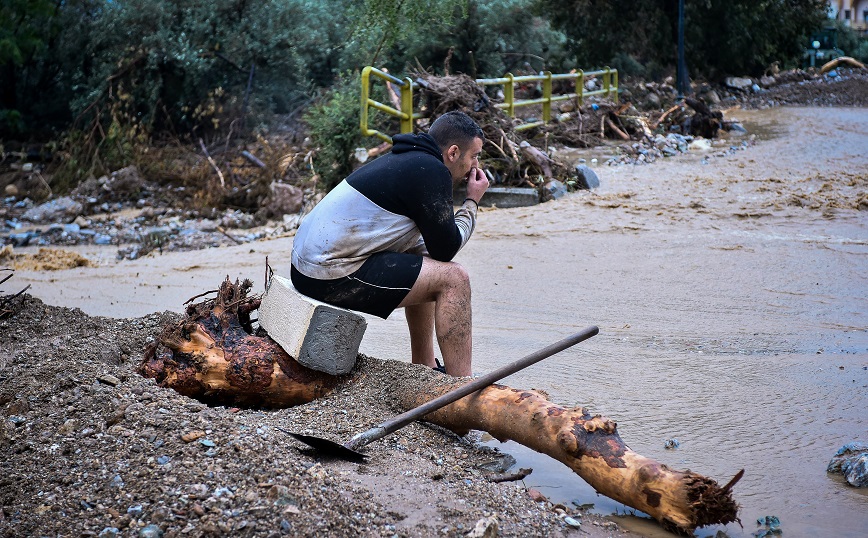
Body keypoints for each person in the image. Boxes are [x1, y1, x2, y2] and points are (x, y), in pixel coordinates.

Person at [290, 111, 489, 377]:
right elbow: (447, 248)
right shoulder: (431, 171)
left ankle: (425, 366)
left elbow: (431, 248)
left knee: (426, 260)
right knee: (455, 279)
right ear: (453, 153)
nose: (475, 166)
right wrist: (472, 202)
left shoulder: (409, 160)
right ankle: (461, 389)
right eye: (474, 156)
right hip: (328, 274)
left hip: (307, 268)